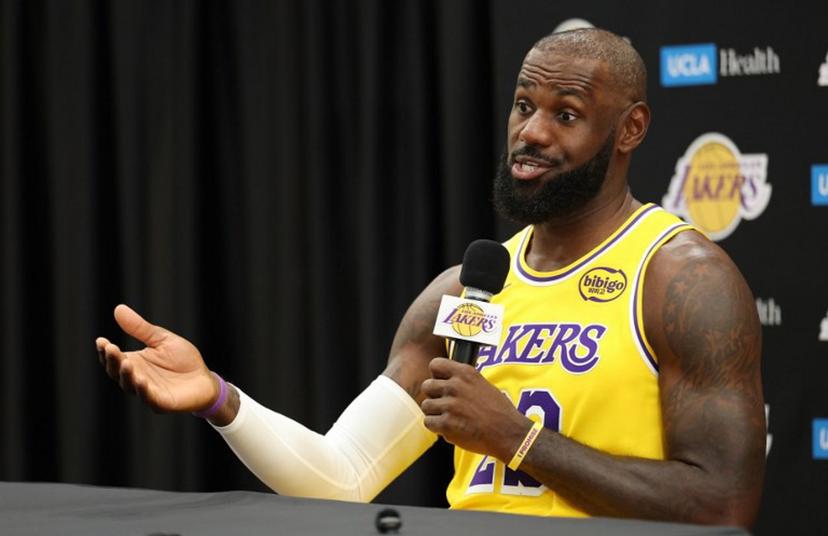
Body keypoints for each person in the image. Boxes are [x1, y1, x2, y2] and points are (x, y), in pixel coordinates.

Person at [96, 28, 765, 527]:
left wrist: (518, 442)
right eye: (523, 105)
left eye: (565, 114)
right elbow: (344, 477)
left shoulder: (679, 277)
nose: (530, 133)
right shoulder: (463, 292)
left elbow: (721, 505)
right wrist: (219, 398)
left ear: (631, 129)